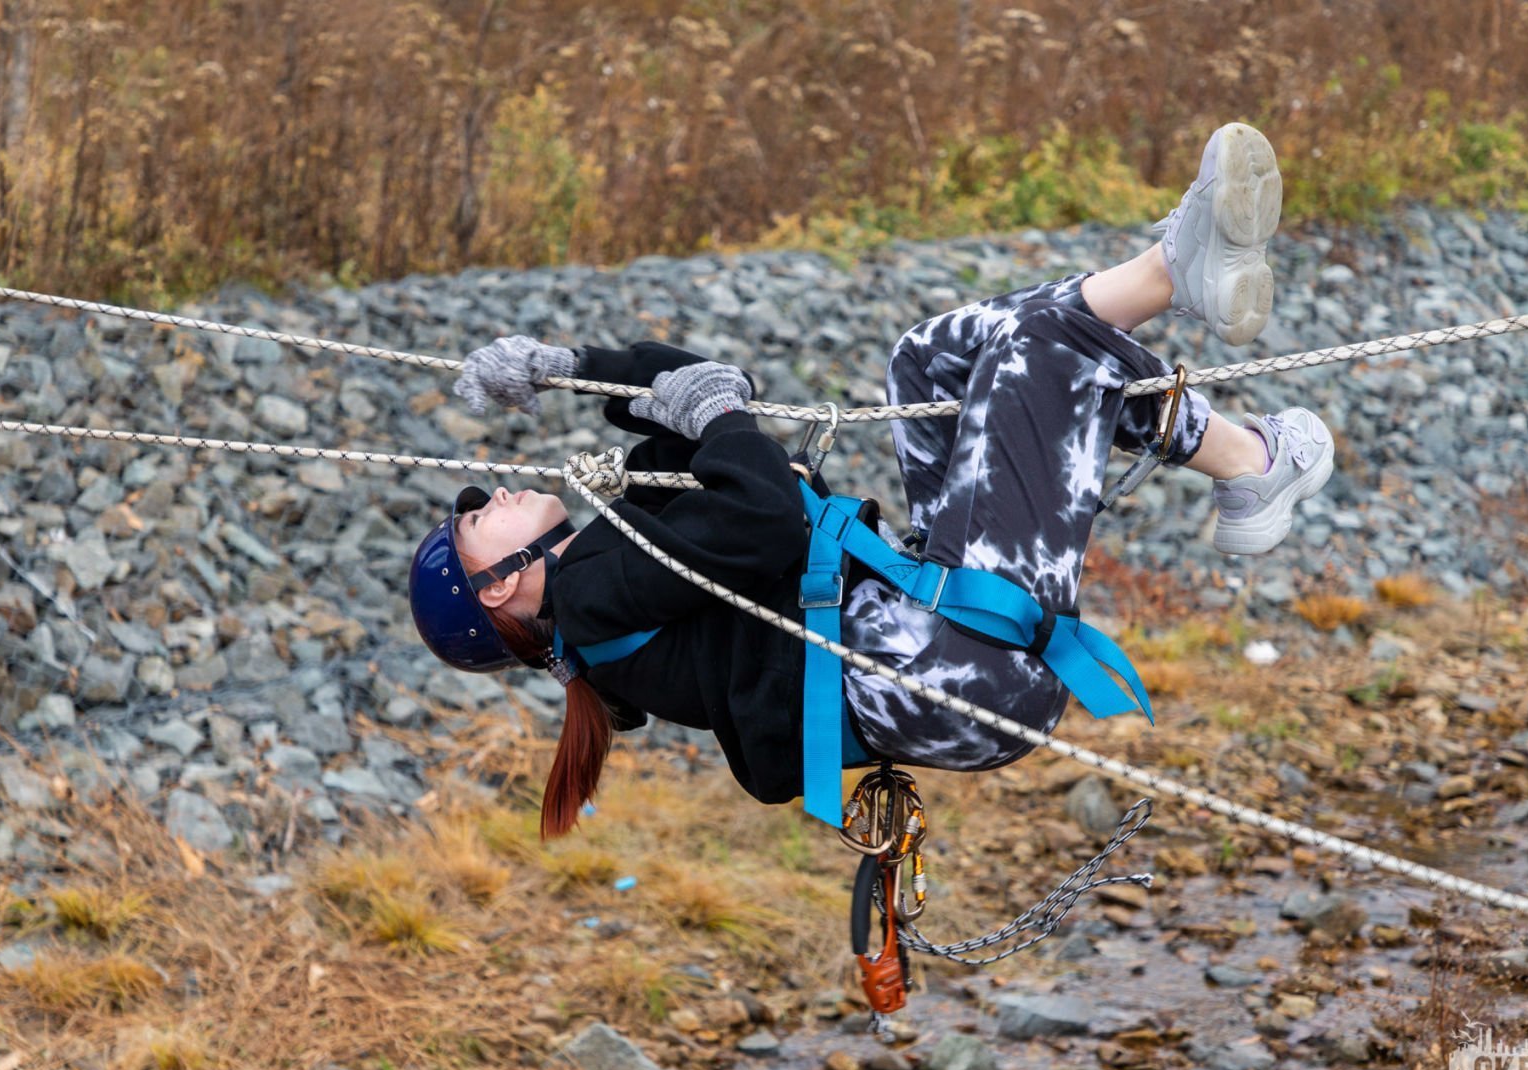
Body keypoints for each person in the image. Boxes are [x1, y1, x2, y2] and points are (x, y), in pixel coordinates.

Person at [410, 123, 1334, 839]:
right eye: (478, 523)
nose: (492, 497)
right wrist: (722, 419)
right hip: (968, 667)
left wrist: (566, 366)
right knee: (1031, 351)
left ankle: (1225, 406)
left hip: (937, 626)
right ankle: (1189, 307)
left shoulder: (616, 553)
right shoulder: (590, 596)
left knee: (927, 360)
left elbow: (692, 391)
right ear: (497, 588)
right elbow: (765, 518)